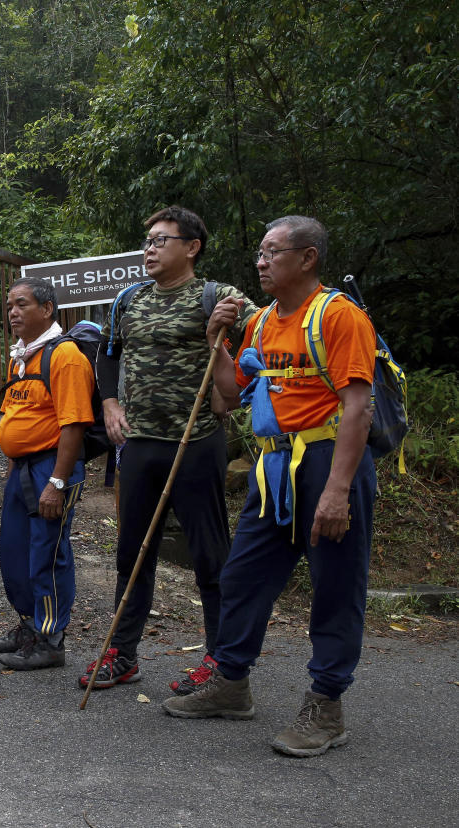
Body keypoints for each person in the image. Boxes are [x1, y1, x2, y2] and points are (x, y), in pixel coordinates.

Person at [163, 216, 376, 757]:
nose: (260, 261)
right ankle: (231, 683)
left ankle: (327, 706)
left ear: (306, 258)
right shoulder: (261, 325)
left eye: (271, 252)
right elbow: (233, 397)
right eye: (259, 252)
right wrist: (218, 343)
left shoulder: (338, 316)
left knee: (334, 584)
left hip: (328, 458)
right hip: (274, 465)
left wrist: (336, 490)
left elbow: (358, 407)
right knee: (243, 574)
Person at [86, 205, 257, 693]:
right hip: (139, 443)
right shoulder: (128, 299)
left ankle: (220, 660)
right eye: (148, 241)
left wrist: (230, 328)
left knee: (209, 553)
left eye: (161, 240)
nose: (150, 249)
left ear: (192, 246)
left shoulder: (218, 297)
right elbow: (109, 354)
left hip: (197, 442)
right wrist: (111, 405)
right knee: (132, 552)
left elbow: (267, 331)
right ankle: (122, 653)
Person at [0, 278, 94, 670]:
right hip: (24, 471)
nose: (13, 312)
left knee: (46, 555)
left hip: (51, 469)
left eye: (22, 304)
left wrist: (58, 482)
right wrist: (12, 467)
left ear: (47, 309)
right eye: (10, 305)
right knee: (14, 553)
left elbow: (74, 424)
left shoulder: (64, 356)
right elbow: (19, 417)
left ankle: (51, 639)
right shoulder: (25, 357)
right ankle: (29, 625)